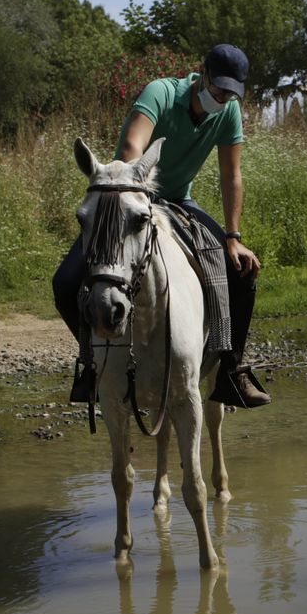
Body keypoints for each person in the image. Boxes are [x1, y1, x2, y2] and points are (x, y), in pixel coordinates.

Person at [52, 44, 271, 409]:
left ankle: (232, 371)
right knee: (65, 283)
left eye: (232, 92)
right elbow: (131, 146)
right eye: (219, 89)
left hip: (179, 202)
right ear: (202, 75)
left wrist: (233, 237)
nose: (223, 97)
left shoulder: (229, 111)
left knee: (243, 273)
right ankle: (92, 364)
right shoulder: (161, 93)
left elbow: (231, 175)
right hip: (131, 197)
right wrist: (138, 200)